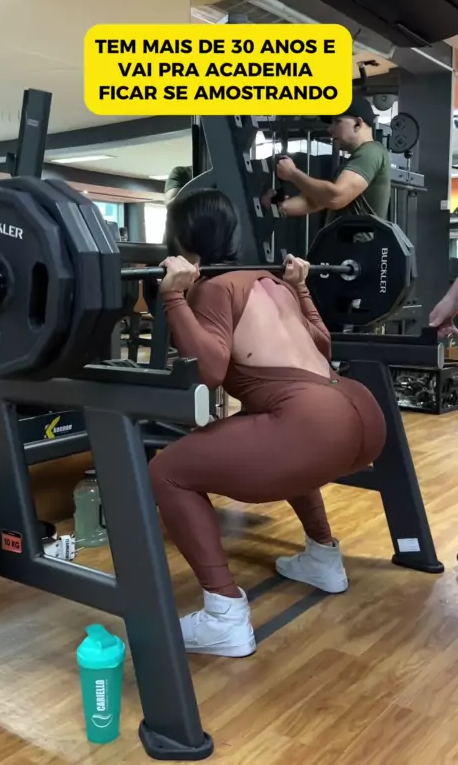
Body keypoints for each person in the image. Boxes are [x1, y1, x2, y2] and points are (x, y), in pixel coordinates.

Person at [149, 188, 386, 659]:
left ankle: (223, 615)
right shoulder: (272, 281)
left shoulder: (213, 287)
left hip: (312, 425)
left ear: (181, 241)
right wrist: (302, 287)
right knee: (274, 431)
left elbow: (209, 371)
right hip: (357, 413)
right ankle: (323, 558)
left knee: (166, 471)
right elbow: (322, 346)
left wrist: (174, 297)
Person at [273, 95, 391, 223]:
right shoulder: (353, 162)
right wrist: (281, 205)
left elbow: (335, 197)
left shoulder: (371, 152)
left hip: (357, 236)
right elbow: (316, 200)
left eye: (337, 121)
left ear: (357, 124)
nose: (330, 129)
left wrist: (293, 174)